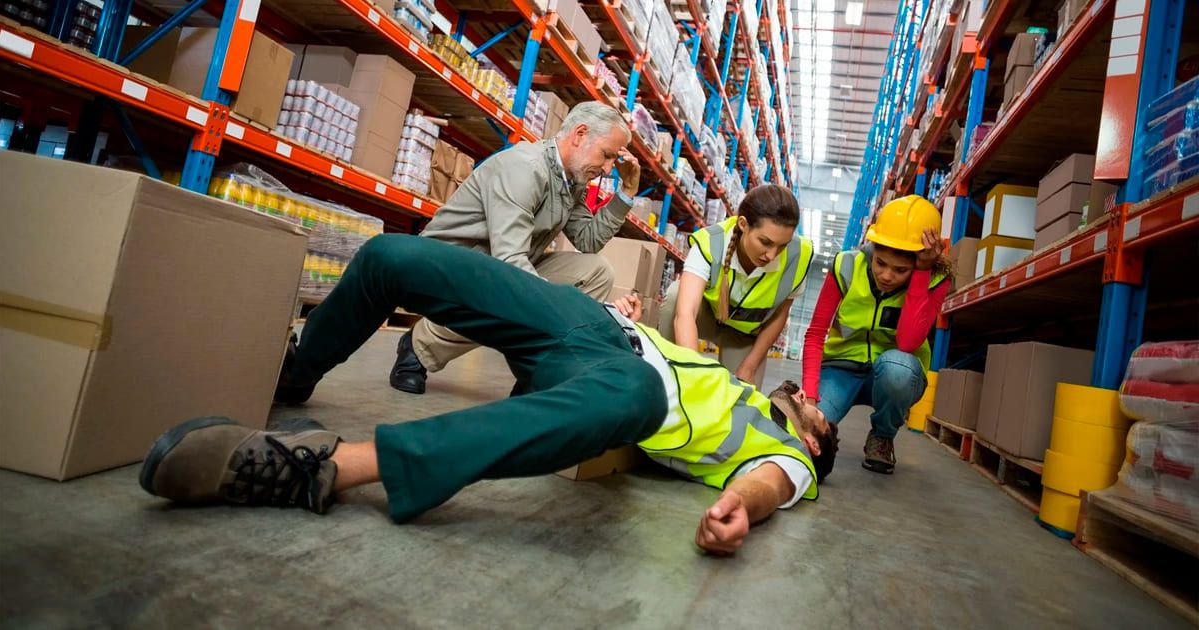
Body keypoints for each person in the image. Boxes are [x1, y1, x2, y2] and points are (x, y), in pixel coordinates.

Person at [139, 233, 838, 555]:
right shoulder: (735, 382)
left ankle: (320, 468)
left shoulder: (785, 453)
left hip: (619, 388)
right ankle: (293, 378)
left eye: (818, 413)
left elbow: (770, 485)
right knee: (393, 258)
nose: (810, 397)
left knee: (635, 396)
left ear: (813, 440)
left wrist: (737, 511)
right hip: (594, 329)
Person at [386, 101, 641, 395]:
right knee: (519, 296)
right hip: (449, 268)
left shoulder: (572, 180)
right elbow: (509, 262)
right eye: (607, 156)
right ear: (580, 134)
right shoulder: (525, 168)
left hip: (498, 266)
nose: (608, 169)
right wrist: (561, 307)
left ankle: (541, 370)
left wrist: (627, 193)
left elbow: (588, 240)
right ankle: (419, 346)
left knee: (596, 272)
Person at [800, 195, 951, 475]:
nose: (887, 275)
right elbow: (816, 333)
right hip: (840, 369)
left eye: (900, 270)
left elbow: (908, 342)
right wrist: (809, 397)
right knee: (808, 435)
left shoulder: (935, 279)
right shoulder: (846, 266)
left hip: (897, 373)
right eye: (880, 263)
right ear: (873, 247)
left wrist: (920, 275)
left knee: (897, 369)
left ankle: (882, 437)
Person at [659, 185, 814, 389]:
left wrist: (749, 367)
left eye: (782, 246)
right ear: (743, 224)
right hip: (708, 318)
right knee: (674, 295)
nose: (772, 255)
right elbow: (685, 313)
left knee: (741, 398)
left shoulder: (798, 256)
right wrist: (693, 372)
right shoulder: (711, 242)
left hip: (744, 336)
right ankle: (665, 374)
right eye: (765, 242)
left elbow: (779, 316)